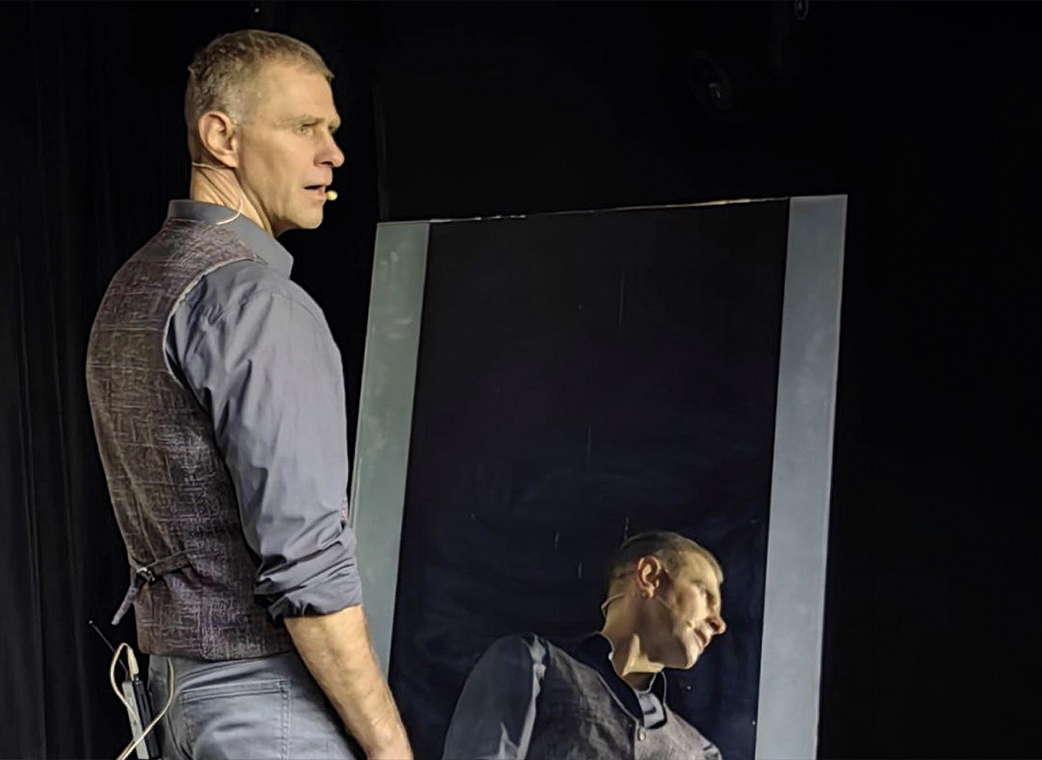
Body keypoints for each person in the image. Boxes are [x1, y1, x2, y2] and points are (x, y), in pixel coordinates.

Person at [85, 29, 412, 760]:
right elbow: (308, 567)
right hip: (268, 710)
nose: (333, 154)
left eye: (333, 129)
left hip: (173, 700)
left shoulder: (135, 284)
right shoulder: (256, 302)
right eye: (304, 127)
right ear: (221, 137)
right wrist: (390, 746)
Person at [441, 530, 727, 760]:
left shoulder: (703, 753)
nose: (719, 624)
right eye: (706, 596)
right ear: (650, 576)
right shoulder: (535, 666)